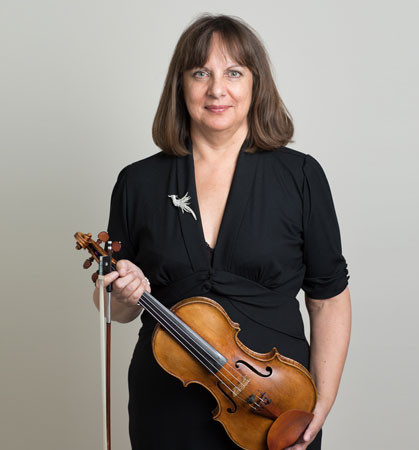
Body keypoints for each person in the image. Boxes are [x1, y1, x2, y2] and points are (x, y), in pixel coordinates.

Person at [93, 13, 351, 450]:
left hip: (275, 406)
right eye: (200, 73)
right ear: (180, 85)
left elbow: (328, 301)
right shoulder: (138, 182)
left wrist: (321, 404)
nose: (217, 89)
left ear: (255, 83)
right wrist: (121, 294)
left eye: (234, 72)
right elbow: (115, 309)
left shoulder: (301, 176)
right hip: (168, 403)